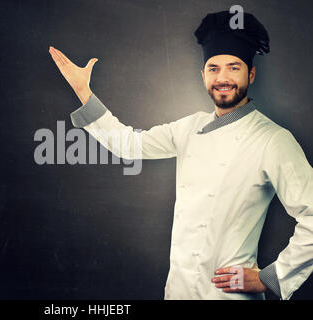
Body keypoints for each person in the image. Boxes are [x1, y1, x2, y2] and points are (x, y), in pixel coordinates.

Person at [48, 10, 313, 300]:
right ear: (203, 76)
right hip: (178, 291)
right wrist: (83, 91)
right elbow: (128, 145)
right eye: (213, 69)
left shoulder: (272, 139)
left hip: (228, 295)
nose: (222, 78)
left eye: (233, 68)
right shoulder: (189, 127)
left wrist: (270, 277)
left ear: (251, 73)